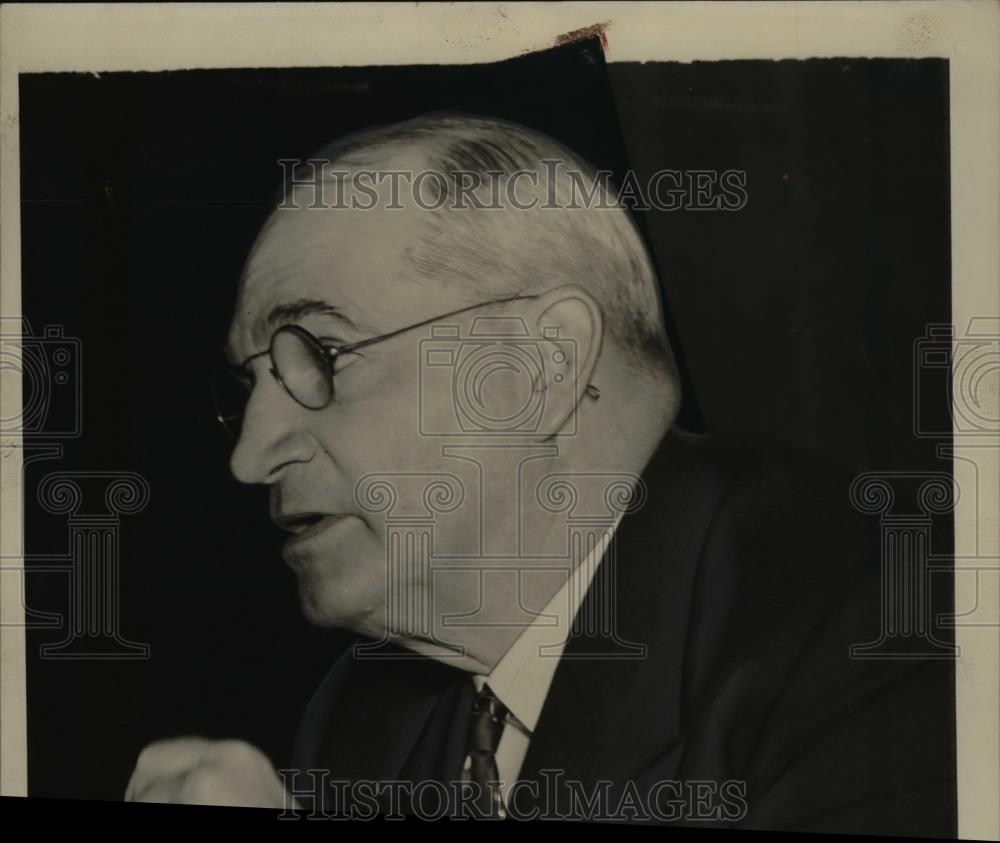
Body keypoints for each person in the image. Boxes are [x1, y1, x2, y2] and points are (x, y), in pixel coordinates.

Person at [125, 115, 954, 832]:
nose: (250, 456)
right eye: (252, 386)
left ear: (543, 366)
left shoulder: (889, 631)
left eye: (323, 354)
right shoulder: (358, 716)